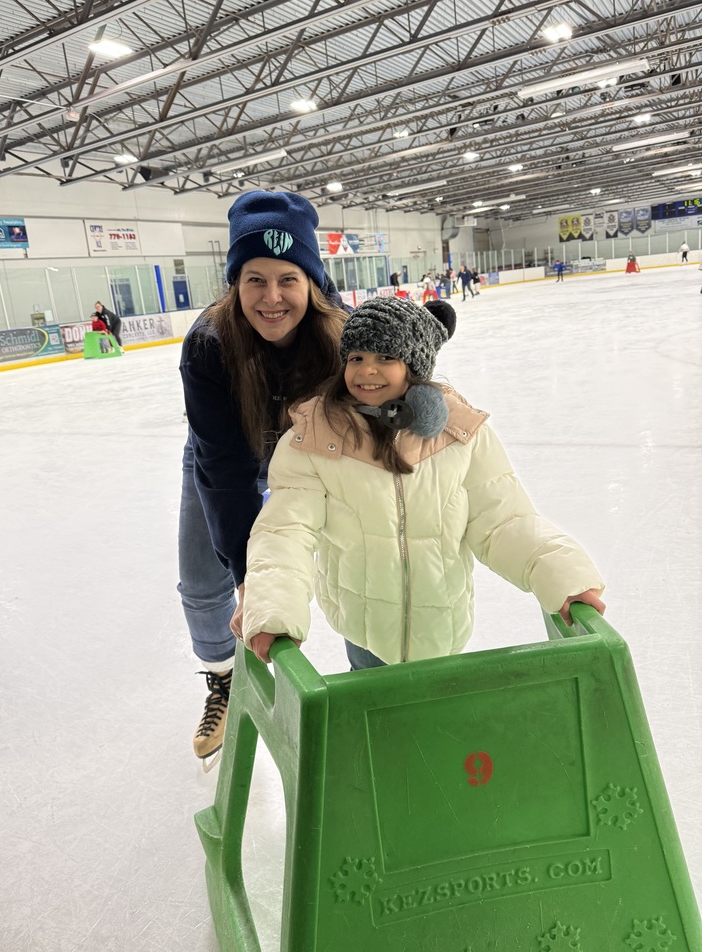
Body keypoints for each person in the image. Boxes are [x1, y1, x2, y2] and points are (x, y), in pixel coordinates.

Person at [236, 297, 605, 669]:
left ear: (414, 366)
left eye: (385, 358)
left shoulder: (461, 434)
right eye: (356, 358)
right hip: (365, 631)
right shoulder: (314, 438)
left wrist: (563, 575)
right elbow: (286, 531)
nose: (367, 371)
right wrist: (273, 609)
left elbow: (503, 521)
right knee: (374, 711)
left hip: (444, 621)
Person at [179, 190, 347, 766]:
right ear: (234, 282)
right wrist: (250, 575)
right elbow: (224, 473)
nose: (271, 298)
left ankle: (371, 672)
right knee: (203, 576)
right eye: (255, 279)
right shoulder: (209, 345)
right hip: (224, 449)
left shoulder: (340, 334)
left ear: (312, 283)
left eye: (287, 279)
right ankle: (222, 680)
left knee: (358, 552)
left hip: (309, 449)